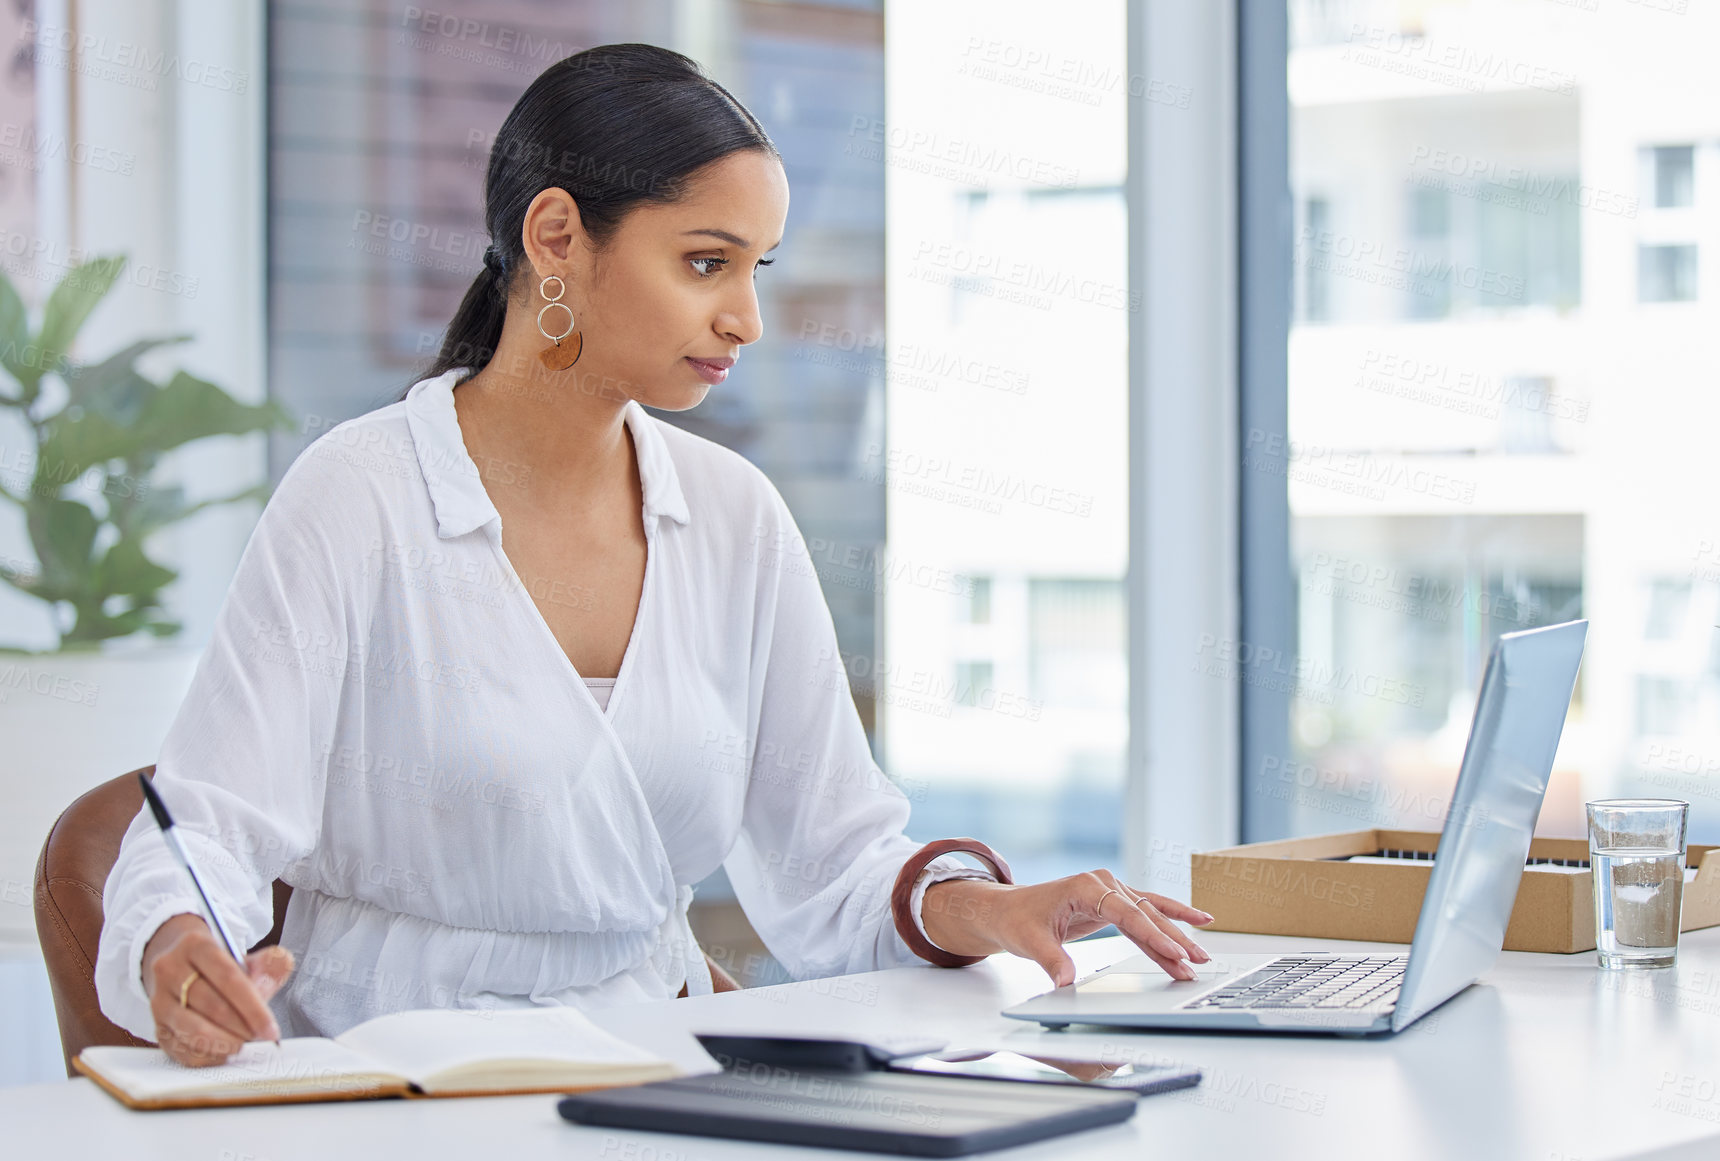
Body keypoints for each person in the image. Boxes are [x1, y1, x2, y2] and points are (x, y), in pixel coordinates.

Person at [94, 42, 1213, 1069]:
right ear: (556, 239)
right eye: (706, 263)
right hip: (390, 1078)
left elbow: (834, 866)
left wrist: (985, 909)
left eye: (758, 269)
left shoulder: (734, 517)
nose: (745, 320)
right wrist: (177, 945)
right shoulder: (361, 495)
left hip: (660, 1075)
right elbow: (206, 827)